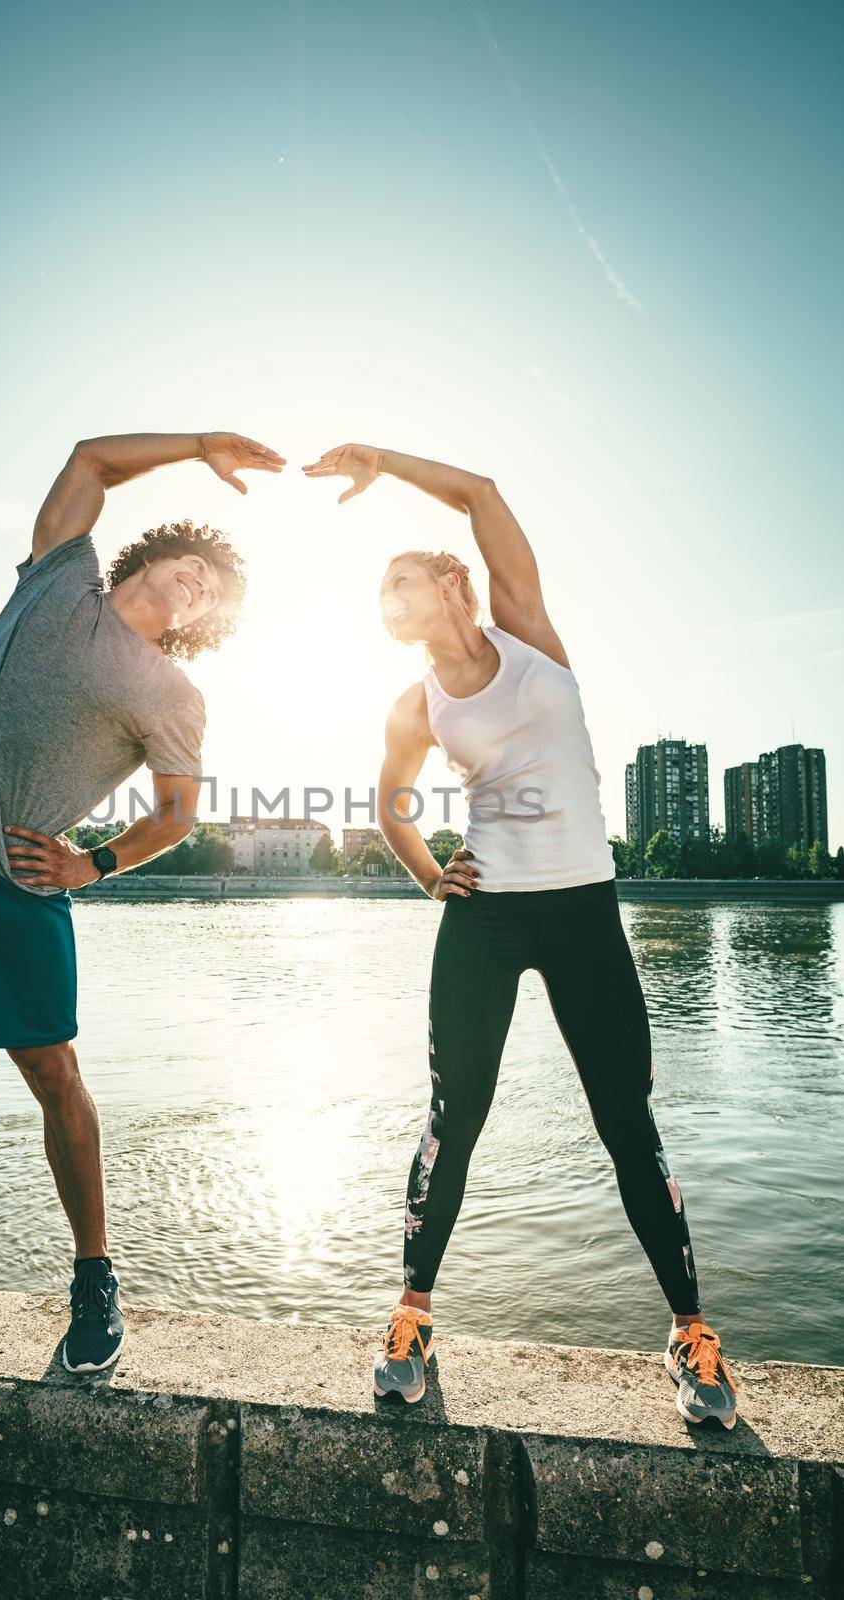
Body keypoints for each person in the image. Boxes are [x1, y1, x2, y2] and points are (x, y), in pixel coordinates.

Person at [0, 429, 284, 1373]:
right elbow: (88, 461)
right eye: (189, 563)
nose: (194, 581)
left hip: (20, 880)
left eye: (210, 590)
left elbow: (179, 814)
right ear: (148, 556)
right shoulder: (54, 581)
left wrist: (96, 865)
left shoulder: (170, 691)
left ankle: (94, 1273)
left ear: (203, 621)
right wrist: (198, 445)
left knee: (53, 1074)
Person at [303, 442, 738, 1429]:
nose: (387, 600)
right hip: (483, 919)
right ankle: (411, 1316)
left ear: (448, 582)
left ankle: (688, 1331)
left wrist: (381, 458)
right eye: (379, 595)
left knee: (625, 1122)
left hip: (582, 908)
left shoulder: (530, 631)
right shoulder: (415, 703)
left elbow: (481, 492)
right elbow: (386, 801)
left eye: (399, 580)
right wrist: (427, 874)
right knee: (452, 1117)